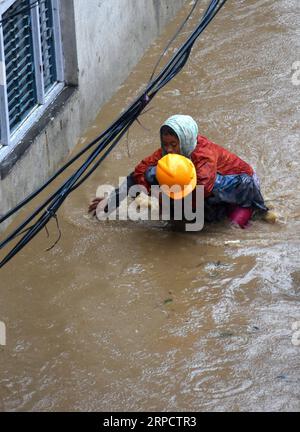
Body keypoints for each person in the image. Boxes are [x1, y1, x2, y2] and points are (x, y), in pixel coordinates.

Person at [89, 114, 269, 228]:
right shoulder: (167, 153)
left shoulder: (203, 155)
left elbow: (202, 189)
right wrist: (113, 200)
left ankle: (250, 209)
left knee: (230, 227)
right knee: (153, 173)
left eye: (174, 145)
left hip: (239, 185)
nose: (169, 150)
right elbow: (140, 171)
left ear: (185, 141)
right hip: (203, 192)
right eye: (165, 145)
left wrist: (161, 201)